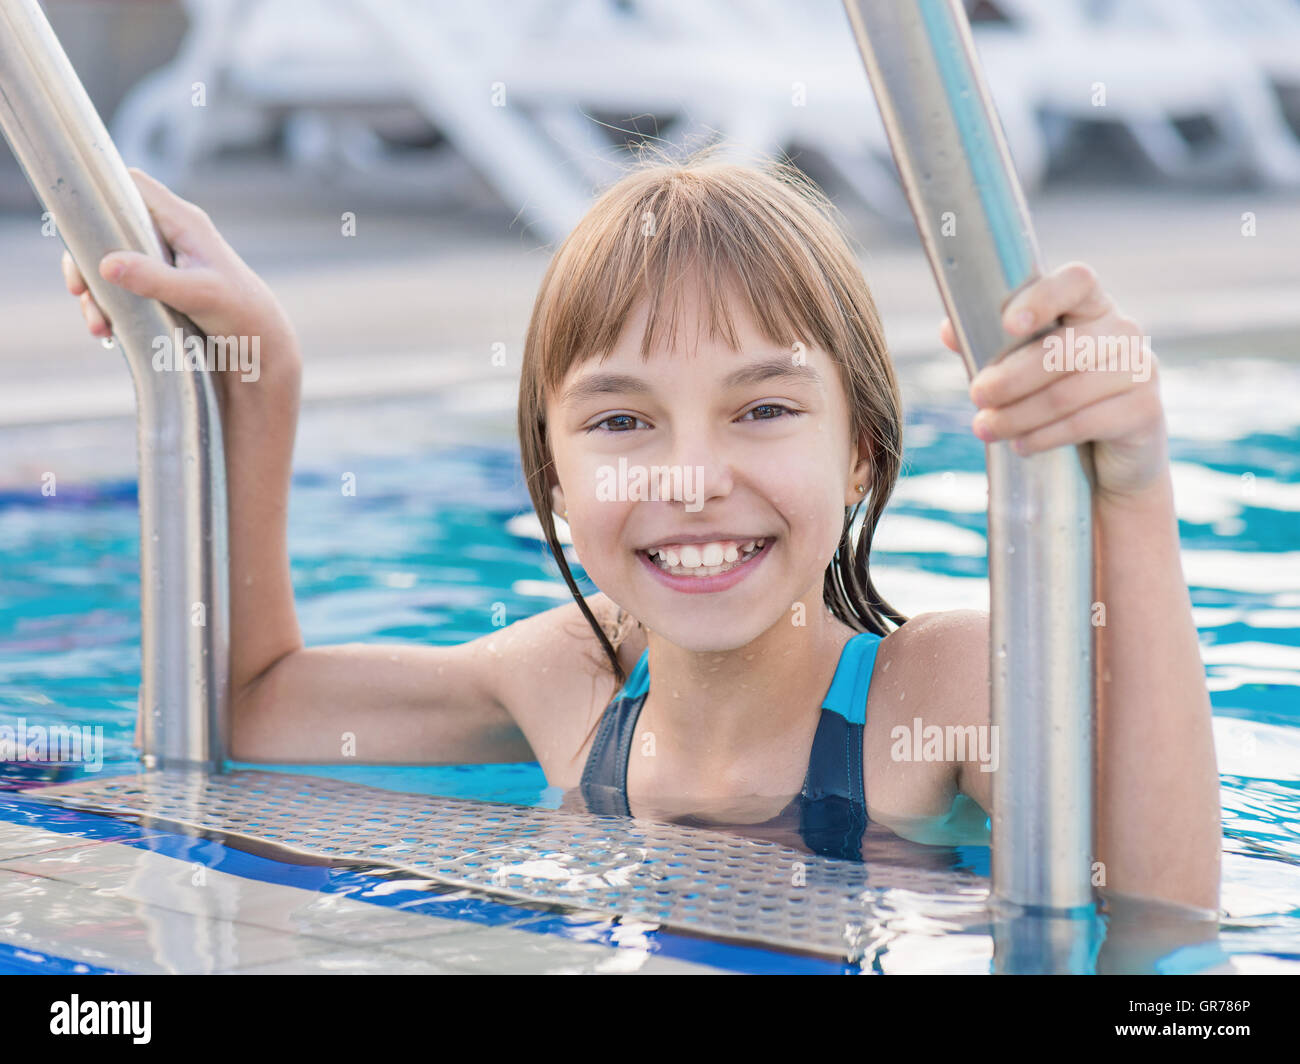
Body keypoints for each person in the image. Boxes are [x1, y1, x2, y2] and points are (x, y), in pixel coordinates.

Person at [60, 151, 1220, 912]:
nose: (692, 477)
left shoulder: (940, 689)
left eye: (761, 408)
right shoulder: (566, 678)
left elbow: (1162, 920)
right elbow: (243, 709)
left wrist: (1131, 493)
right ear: (553, 478)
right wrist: (260, 382)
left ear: (860, 447)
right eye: (621, 419)